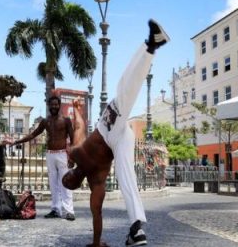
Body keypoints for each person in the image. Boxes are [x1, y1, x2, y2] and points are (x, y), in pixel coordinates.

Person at [62, 19, 170, 246]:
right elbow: (96, 214)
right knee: (125, 174)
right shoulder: (95, 181)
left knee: (124, 89)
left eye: (66, 177)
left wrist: (76, 110)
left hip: (107, 125)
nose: (69, 178)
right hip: (119, 140)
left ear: (68, 170)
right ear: (75, 182)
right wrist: (96, 242)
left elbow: (80, 127)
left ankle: (151, 45)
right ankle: (137, 229)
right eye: (69, 182)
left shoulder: (76, 154)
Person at [10, 94, 76, 221]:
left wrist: (72, 157)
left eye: (56, 104)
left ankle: (69, 211)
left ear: (59, 105)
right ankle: (56, 209)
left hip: (62, 154)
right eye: (52, 105)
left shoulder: (66, 120)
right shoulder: (46, 121)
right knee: (53, 183)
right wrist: (17, 142)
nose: (54, 106)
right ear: (48, 106)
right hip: (50, 154)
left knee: (65, 183)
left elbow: (73, 139)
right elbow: (33, 134)